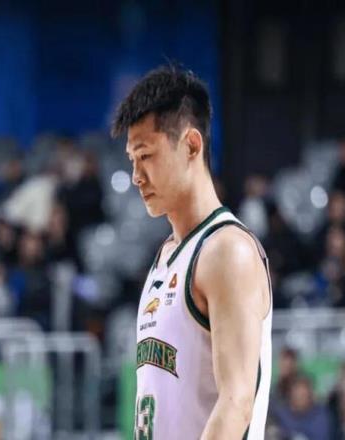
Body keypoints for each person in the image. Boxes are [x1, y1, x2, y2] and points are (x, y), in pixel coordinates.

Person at [112, 66, 272, 439]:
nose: (136, 176)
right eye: (132, 160)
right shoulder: (166, 256)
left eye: (146, 156)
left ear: (191, 145)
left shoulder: (226, 251)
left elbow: (236, 402)